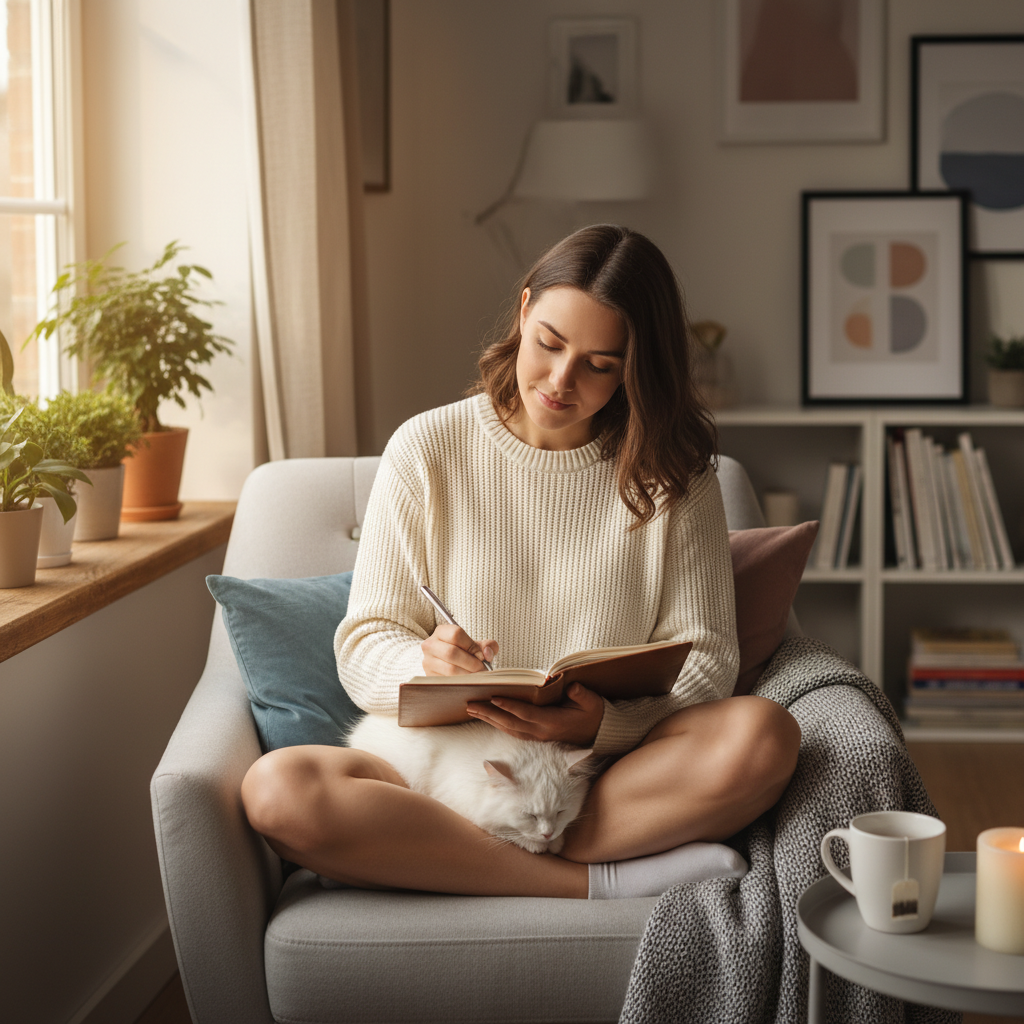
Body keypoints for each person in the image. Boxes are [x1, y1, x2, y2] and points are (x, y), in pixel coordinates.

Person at [241, 225, 801, 899]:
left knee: (765, 737)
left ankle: (459, 861)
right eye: (550, 343)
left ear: (636, 367)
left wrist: (601, 725)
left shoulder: (675, 477)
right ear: (525, 311)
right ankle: (596, 881)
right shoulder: (427, 449)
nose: (561, 381)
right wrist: (426, 663)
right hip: (444, 772)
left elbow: (710, 659)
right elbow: (364, 645)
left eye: (600, 364)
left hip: (596, 774)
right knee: (278, 791)